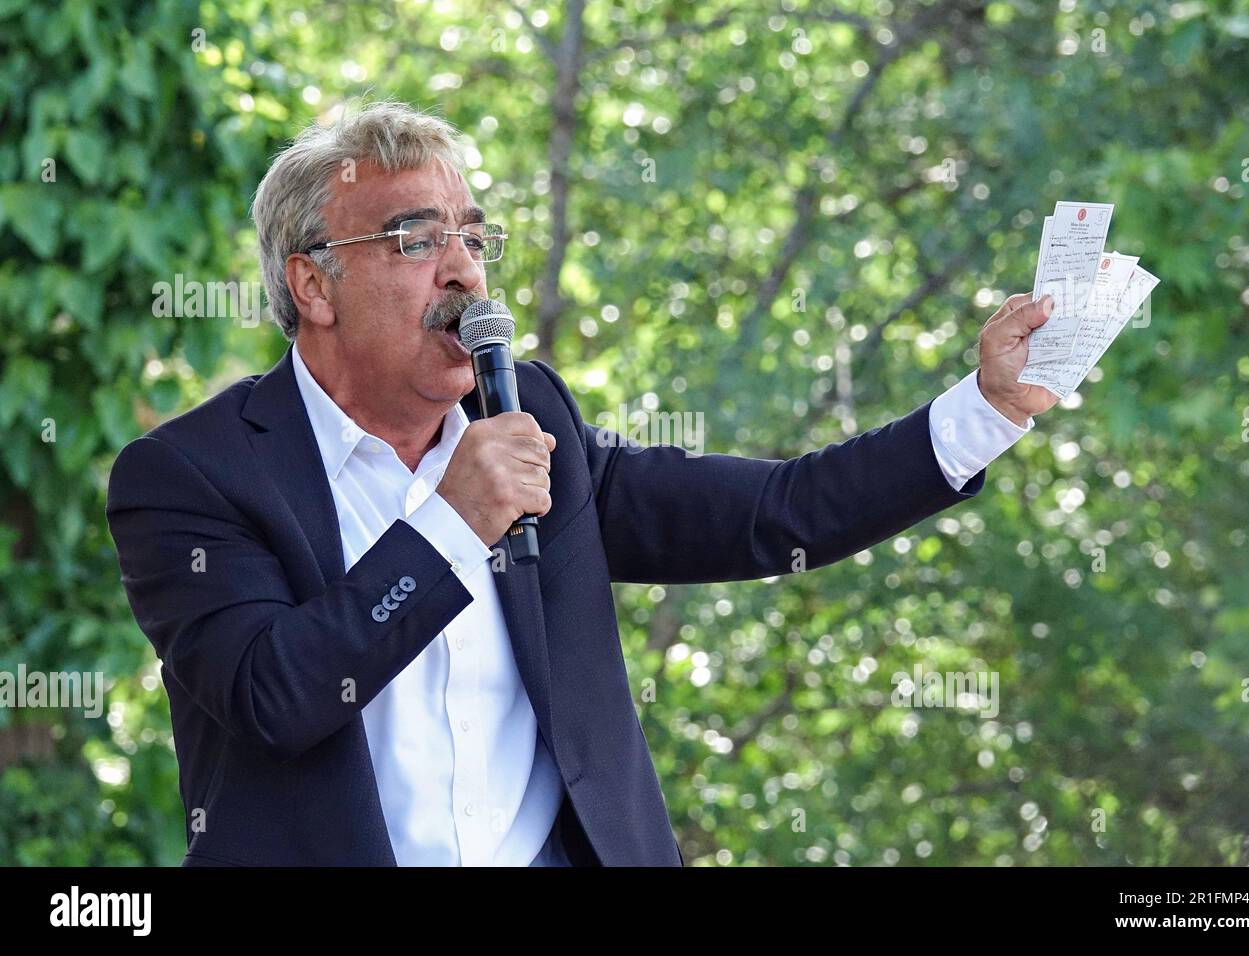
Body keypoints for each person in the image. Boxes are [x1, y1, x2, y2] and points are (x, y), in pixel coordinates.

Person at [105, 101, 1059, 866]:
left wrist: (984, 409)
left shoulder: (531, 420)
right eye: (415, 241)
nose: (465, 274)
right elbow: (275, 696)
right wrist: (452, 522)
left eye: (474, 239)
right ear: (312, 285)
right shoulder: (191, 477)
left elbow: (778, 514)